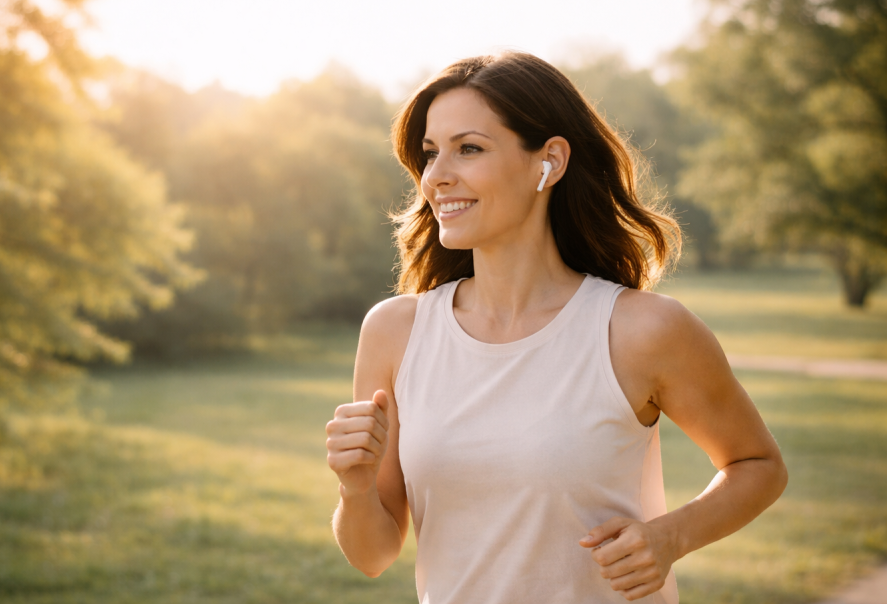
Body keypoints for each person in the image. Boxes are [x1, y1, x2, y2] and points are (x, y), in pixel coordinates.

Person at [325, 51, 788, 603]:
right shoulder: (395, 332)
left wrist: (670, 537)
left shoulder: (642, 331)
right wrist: (354, 488)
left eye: (468, 148)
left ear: (549, 162)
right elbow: (374, 555)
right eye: (430, 154)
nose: (437, 176)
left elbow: (758, 465)